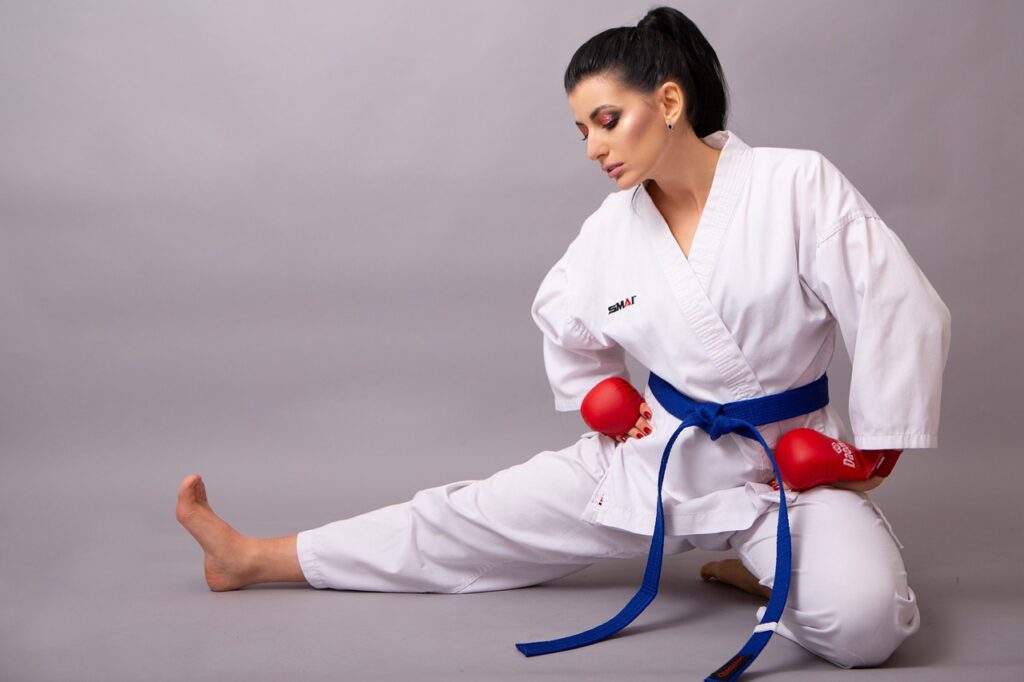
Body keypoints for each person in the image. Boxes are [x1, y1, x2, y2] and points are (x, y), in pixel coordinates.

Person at [176, 5, 950, 675]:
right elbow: (565, 321)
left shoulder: (796, 186)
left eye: (606, 120)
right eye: (581, 130)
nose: (591, 148)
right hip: (658, 455)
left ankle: (765, 567)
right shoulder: (611, 230)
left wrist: (869, 454)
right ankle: (253, 557)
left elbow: (898, 305)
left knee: (867, 624)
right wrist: (603, 396)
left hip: (786, 470)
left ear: (669, 101)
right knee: (474, 517)